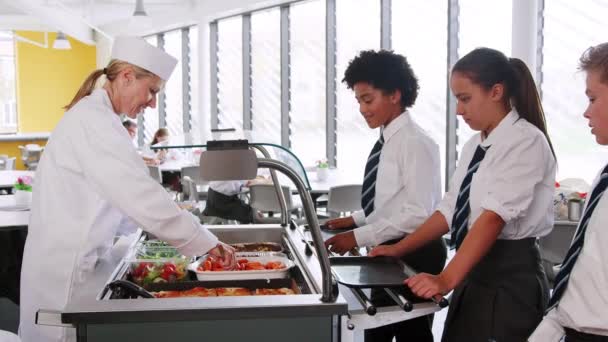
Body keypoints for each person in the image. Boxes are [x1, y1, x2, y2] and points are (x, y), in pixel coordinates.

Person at [19, 36, 236, 342]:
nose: (152, 102)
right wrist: (204, 241)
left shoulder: (100, 118)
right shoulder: (93, 121)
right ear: (126, 77)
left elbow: (116, 199)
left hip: (80, 262)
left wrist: (162, 230)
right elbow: (139, 193)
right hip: (64, 273)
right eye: (152, 91)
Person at [371, 47, 557, 342]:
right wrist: (400, 248)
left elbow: (493, 219)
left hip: (510, 277)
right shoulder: (475, 145)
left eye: (465, 99)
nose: (458, 110)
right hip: (473, 269)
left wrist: (445, 278)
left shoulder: (526, 142)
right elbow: (449, 209)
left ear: (496, 92)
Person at [324, 50, 445, 342]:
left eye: (368, 99)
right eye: (359, 102)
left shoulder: (415, 142)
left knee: (408, 334)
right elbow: (391, 201)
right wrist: (353, 221)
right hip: (389, 247)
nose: (363, 109)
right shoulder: (388, 138)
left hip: (416, 251)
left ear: (394, 94)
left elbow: (418, 213)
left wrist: (358, 237)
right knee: (379, 330)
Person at [530, 43, 608, 342]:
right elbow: (586, 266)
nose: (586, 112)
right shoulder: (604, 173)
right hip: (570, 326)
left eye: (592, 98)